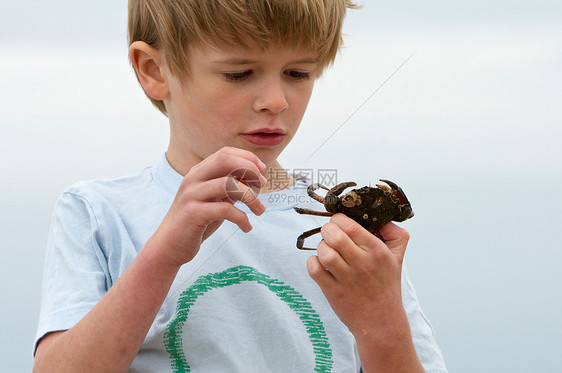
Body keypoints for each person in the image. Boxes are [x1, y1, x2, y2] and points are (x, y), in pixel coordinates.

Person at [33, 0, 447, 372]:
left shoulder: (351, 233)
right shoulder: (97, 213)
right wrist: (162, 255)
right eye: (239, 73)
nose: (276, 100)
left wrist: (382, 322)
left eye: (298, 72)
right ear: (154, 71)